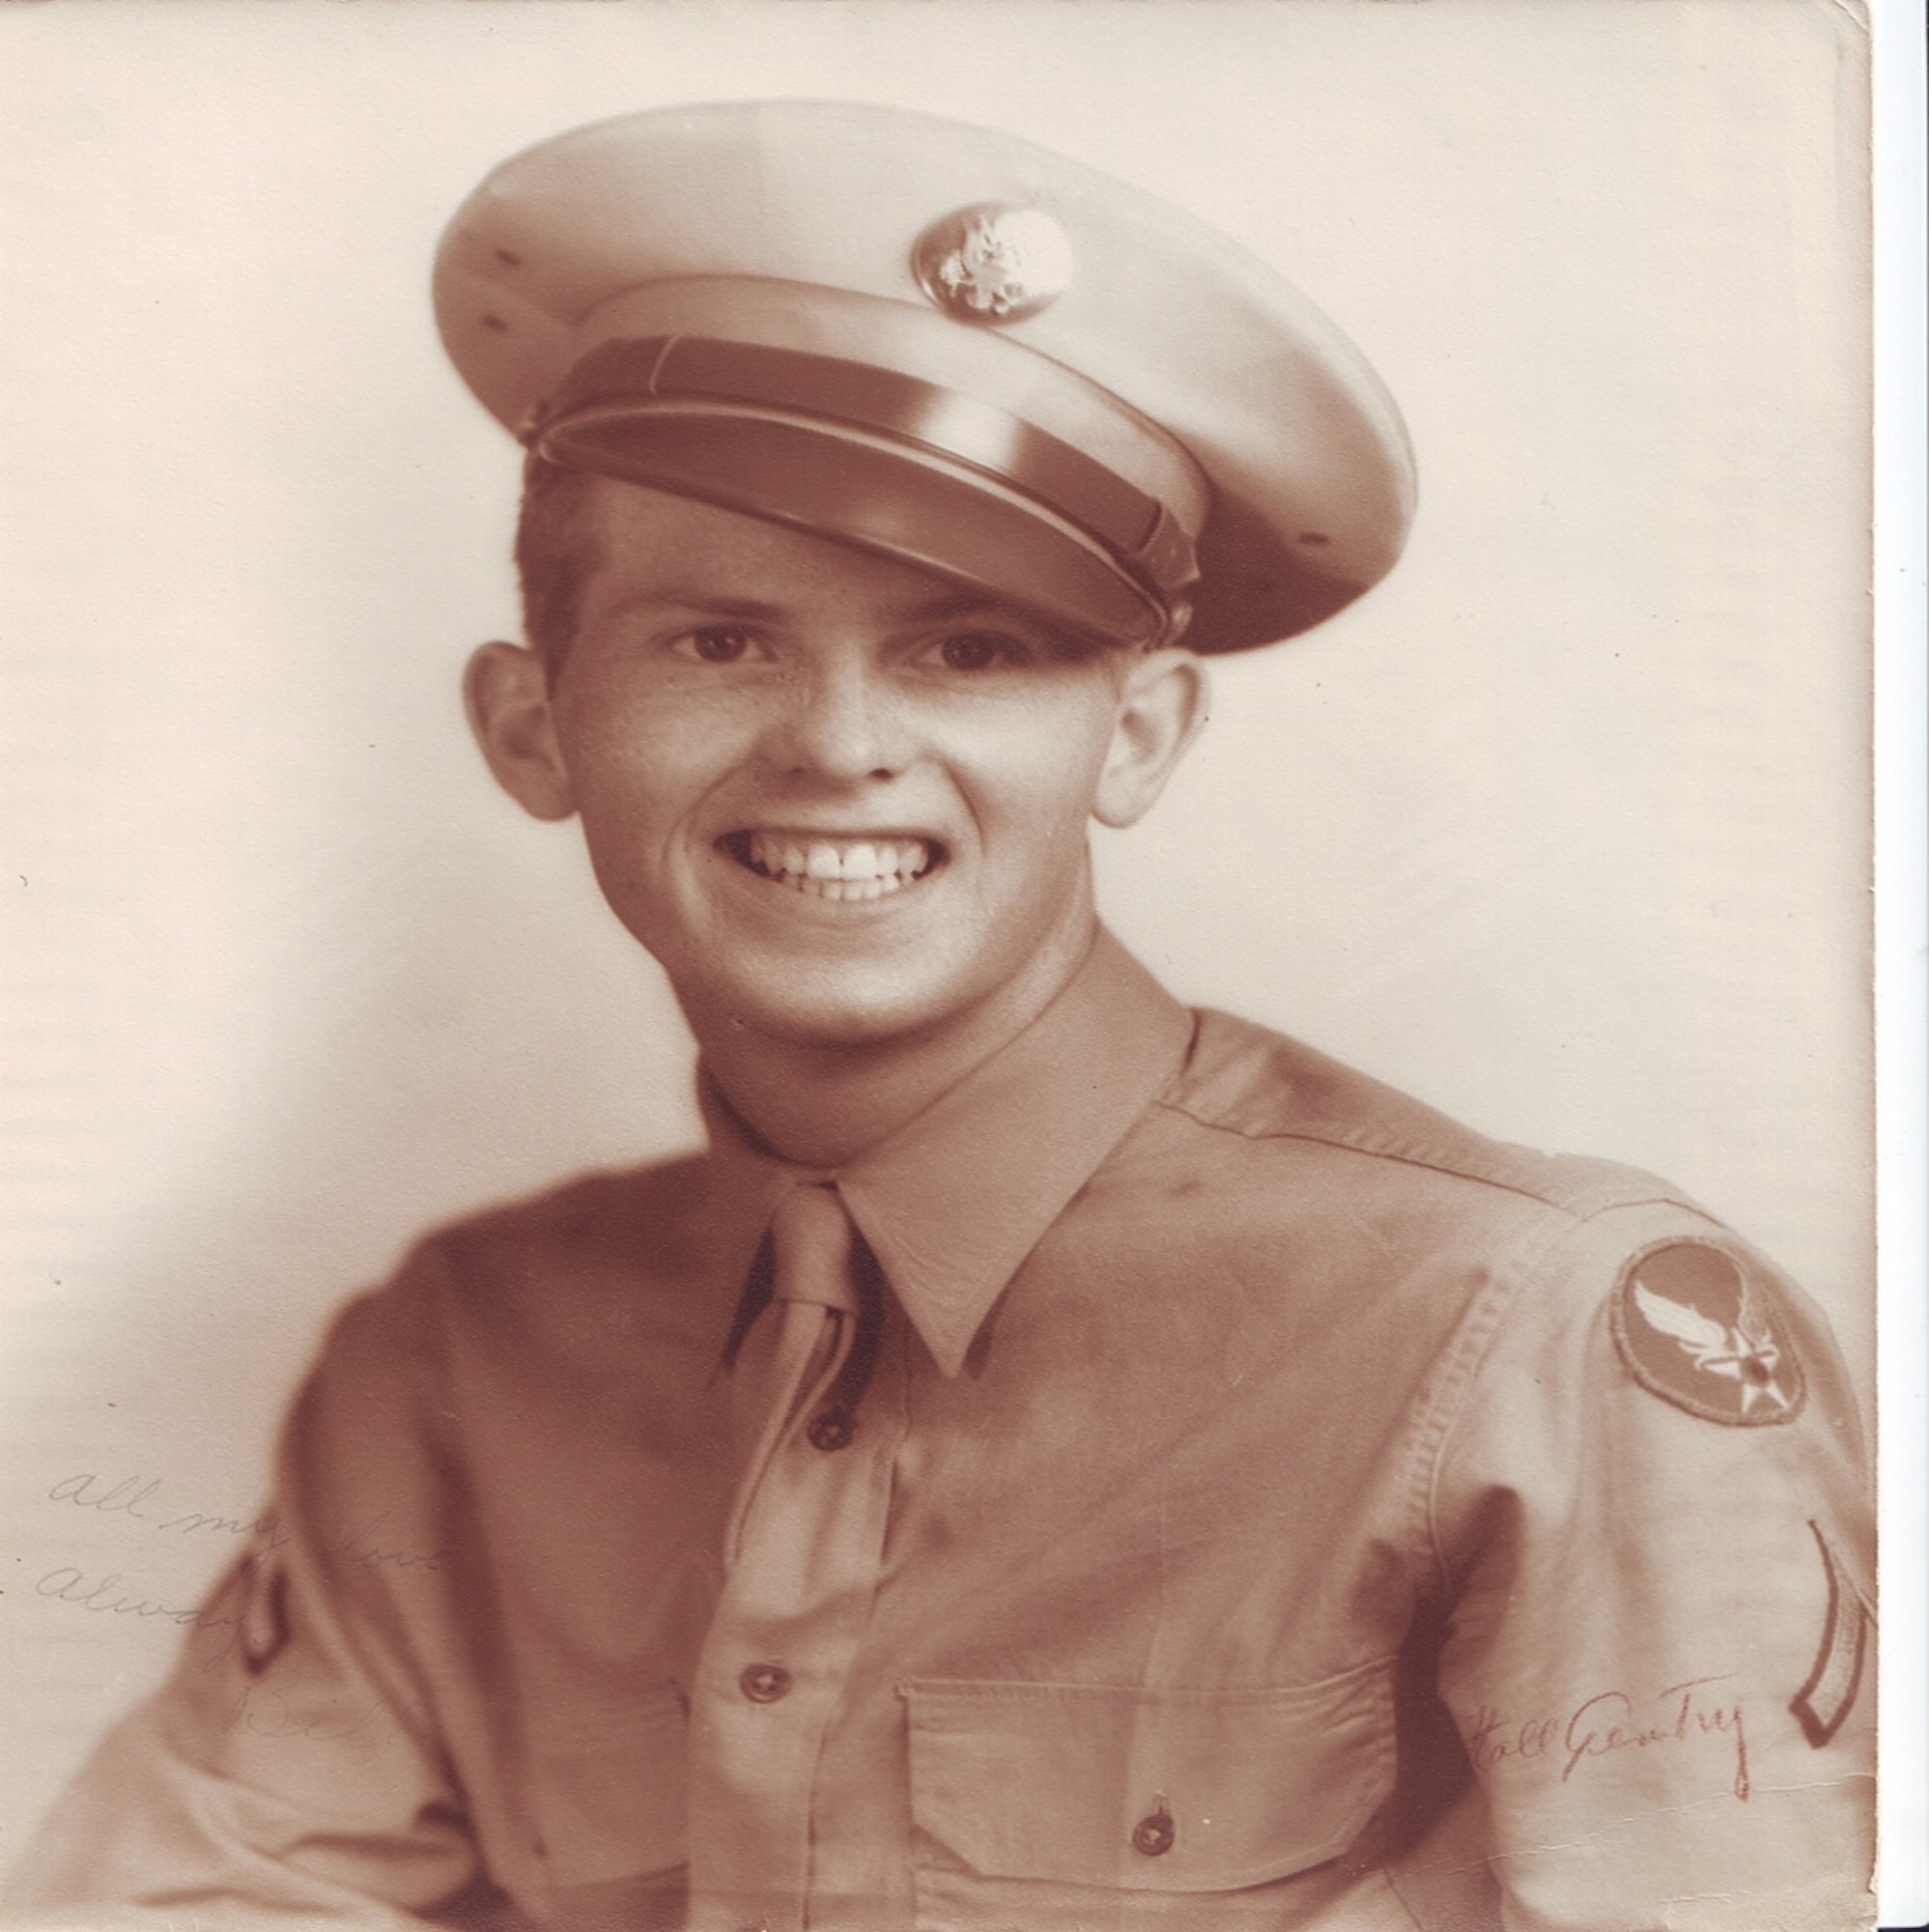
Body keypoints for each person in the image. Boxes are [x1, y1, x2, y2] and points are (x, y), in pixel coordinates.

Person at [2, 99, 1873, 1932]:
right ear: (533, 726)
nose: (835, 744)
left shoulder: (1540, 1341)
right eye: (717, 638)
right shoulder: (457, 1373)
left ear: (1133, 736)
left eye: (968, 649)